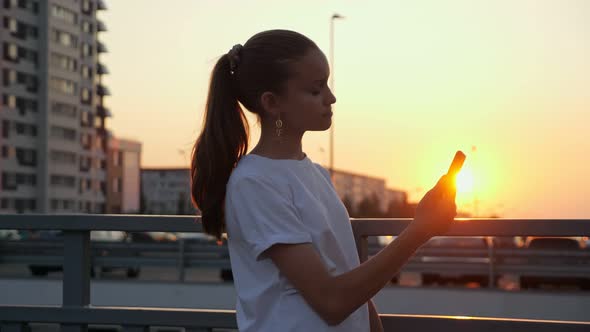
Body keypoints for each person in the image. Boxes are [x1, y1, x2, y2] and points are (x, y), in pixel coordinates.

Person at [190, 29, 457, 332]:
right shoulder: (255, 183)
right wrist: (419, 231)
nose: (331, 98)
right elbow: (331, 301)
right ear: (272, 103)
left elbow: (346, 275)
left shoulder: (314, 174)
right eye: (316, 90)